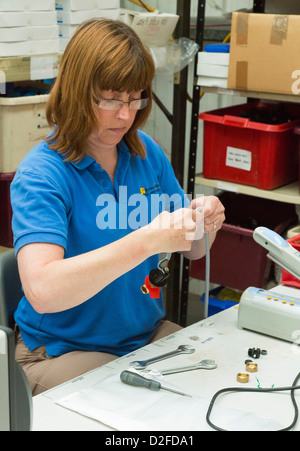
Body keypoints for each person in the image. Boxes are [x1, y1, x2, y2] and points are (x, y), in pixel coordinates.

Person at [10, 18, 225, 396]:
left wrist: (206, 222)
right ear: (77, 92)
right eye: (110, 99)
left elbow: (193, 250)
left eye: (135, 98)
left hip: (144, 336)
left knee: (215, 384)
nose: (125, 115)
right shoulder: (42, 174)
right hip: (64, 351)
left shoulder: (144, 152)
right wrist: (146, 240)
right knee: (138, 410)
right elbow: (43, 289)